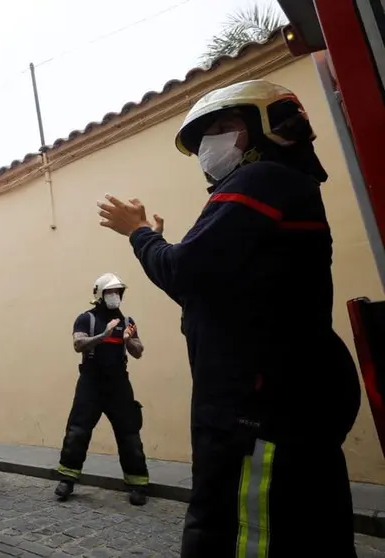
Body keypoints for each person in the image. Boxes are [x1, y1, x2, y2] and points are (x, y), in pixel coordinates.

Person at [96, 80, 361, 557]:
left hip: (256, 411)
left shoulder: (261, 180)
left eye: (224, 127)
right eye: (203, 138)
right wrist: (163, 248)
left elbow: (186, 274)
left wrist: (138, 234)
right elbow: (214, 292)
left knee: (239, 533)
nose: (209, 146)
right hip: (282, 398)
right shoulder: (283, 185)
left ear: (268, 127)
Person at [54, 272, 150, 506]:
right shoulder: (86, 319)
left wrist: (128, 340)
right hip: (91, 382)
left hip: (118, 383)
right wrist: (103, 335)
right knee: (78, 430)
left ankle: (138, 483)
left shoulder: (127, 321)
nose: (115, 296)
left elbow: (138, 351)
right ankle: (67, 478)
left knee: (129, 432)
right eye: (110, 292)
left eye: (118, 292)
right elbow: (78, 344)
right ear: (99, 293)